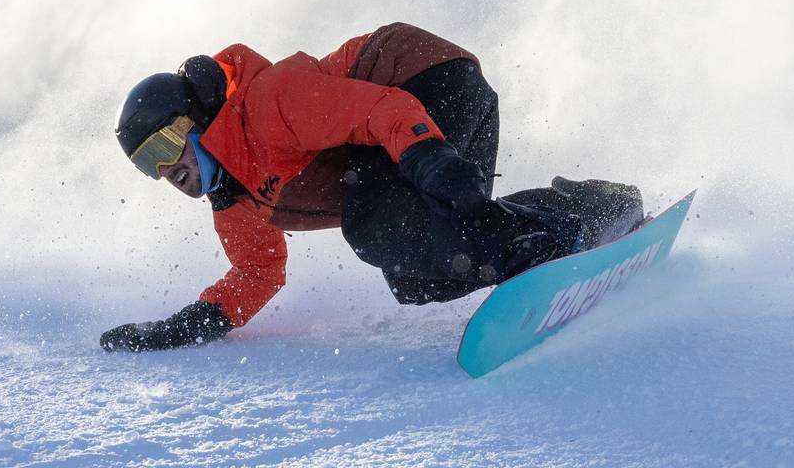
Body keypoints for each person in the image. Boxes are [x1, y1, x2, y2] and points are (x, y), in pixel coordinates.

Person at [101, 22, 644, 352]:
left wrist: (428, 157)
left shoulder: (266, 106)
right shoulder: (235, 200)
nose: (165, 171)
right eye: (148, 165)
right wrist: (189, 325)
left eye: (164, 145)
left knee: (377, 225)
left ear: (195, 119)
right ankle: (594, 208)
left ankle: (543, 240)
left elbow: (381, 108)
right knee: (415, 278)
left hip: (426, 77)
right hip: (408, 134)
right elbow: (259, 272)